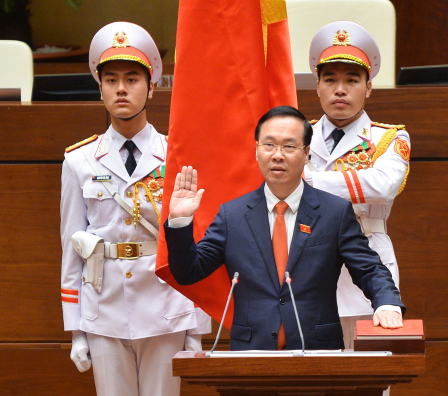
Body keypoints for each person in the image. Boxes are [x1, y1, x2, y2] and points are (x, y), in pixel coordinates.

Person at [164, 105, 405, 350]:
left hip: (317, 353)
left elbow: (369, 268)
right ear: (256, 150)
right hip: (251, 356)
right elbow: (188, 272)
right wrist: (180, 222)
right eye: (269, 145)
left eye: (289, 146)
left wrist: (386, 303)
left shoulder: (334, 212)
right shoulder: (232, 215)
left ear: (307, 153)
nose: (277, 155)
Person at [60, 21, 211, 396]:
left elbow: (199, 241)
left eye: (132, 78)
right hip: (104, 309)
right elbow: (71, 247)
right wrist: (76, 330)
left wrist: (197, 329)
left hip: (166, 308)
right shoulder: (80, 160)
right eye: (110, 80)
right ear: (100, 88)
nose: (121, 89)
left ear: (152, 87)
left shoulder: (176, 155)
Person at [304, 21, 410, 349]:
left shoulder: (389, 137)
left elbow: (382, 185)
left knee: (372, 373)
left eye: (352, 80)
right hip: (310, 263)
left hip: (368, 261)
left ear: (368, 88)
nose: (340, 89)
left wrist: (308, 180)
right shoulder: (296, 136)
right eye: (330, 80)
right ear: (317, 86)